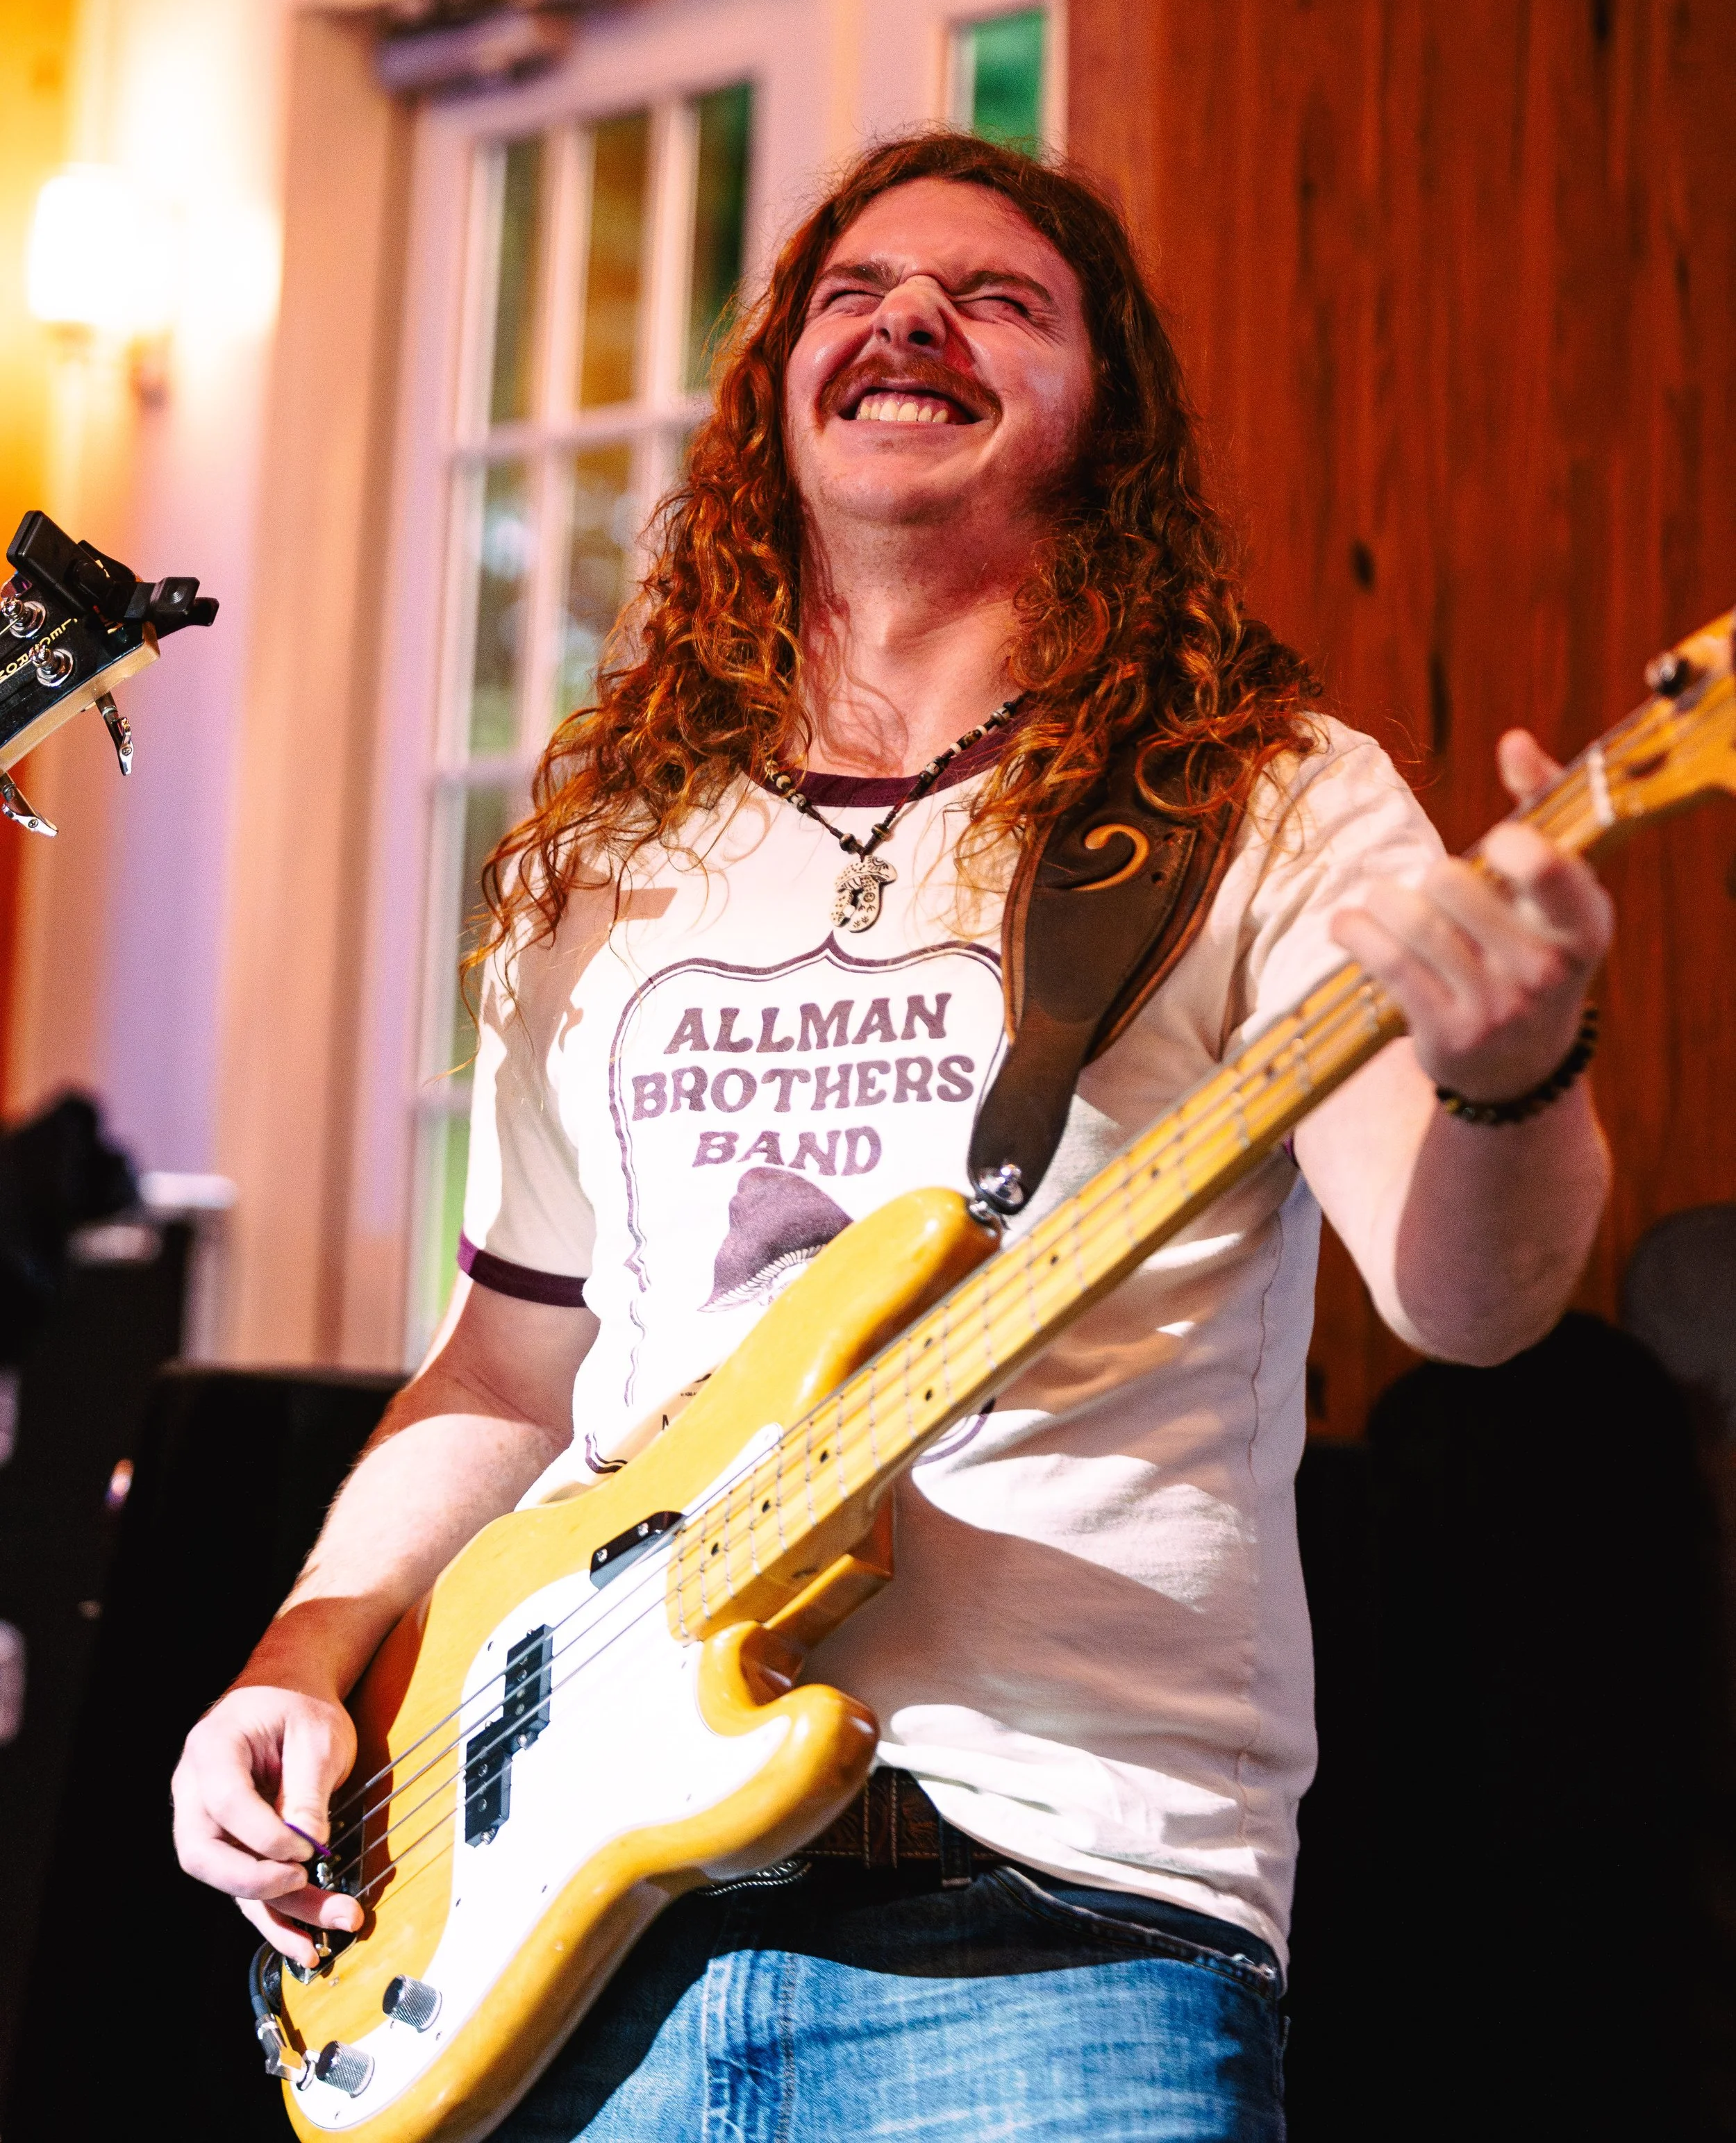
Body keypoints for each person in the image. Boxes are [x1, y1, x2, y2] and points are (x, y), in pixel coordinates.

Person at [173, 132, 1612, 2140]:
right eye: (854, 292)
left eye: (996, 297)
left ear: (1100, 416)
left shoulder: (1265, 802)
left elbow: (1468, 1302)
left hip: (1060, 1926)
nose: (910, 317)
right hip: (566, 1948)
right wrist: (304, 1652)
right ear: (777, 392)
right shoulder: (610, 859)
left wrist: (1509, 1068)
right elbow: (514, 1352)